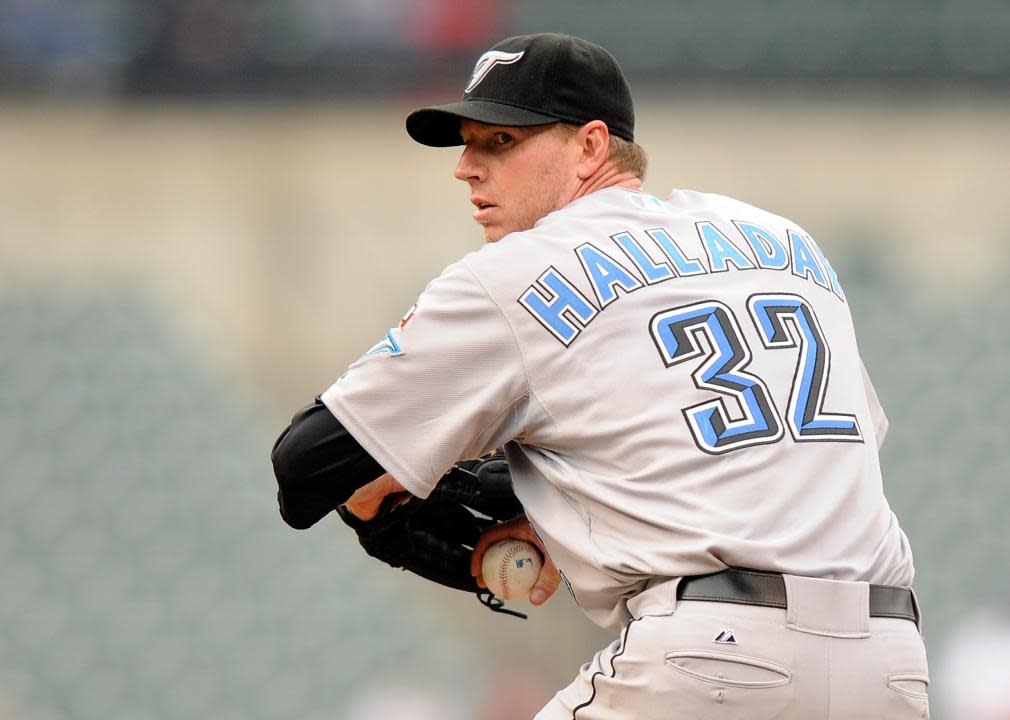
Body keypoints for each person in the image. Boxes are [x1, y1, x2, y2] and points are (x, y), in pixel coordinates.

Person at [271, 32, 929, 719]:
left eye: (501, 142)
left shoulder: (515, 274)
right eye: (466, 142)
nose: (466, 167)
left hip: (710, 661)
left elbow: (306, 465)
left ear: (590, 146)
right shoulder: (784, 241)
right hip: (889, 664)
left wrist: (393, 501)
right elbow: (804, 450)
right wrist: (548, 494)